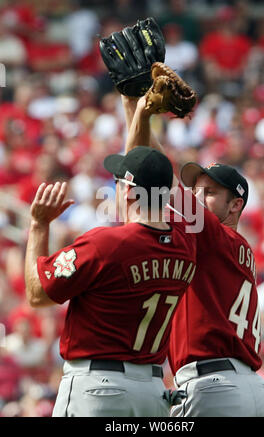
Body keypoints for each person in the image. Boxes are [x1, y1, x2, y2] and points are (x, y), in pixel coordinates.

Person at [121, 94, 264, 417]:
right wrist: (137, 111)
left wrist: (135, 106)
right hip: (254, 392)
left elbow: (152, 170)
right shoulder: (239, 247)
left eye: (209, 192)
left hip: (213, 386)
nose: (197, 196)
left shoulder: (214, 236)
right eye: (196, 190)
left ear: (236, 204)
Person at [24, 146, 197, 417]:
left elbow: (37, 294)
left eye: (116, 183)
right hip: (152, 393)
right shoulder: (186, 247)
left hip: (99, 389)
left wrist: (39, 225)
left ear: (128, 191)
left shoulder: (105, 243)